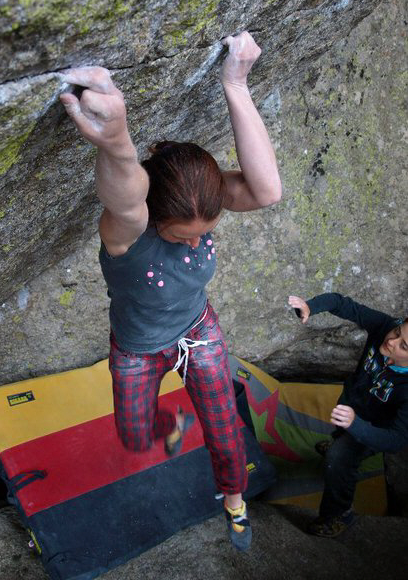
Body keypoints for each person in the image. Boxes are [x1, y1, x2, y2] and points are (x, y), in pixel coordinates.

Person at [59, 31, 281, 551]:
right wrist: (115, 140)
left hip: (198, 333)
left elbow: (266, 190)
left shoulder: (200, 207)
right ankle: (172, 420)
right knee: (135, 435)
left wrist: (237, 83)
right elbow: (127, 200)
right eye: (184, 236)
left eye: (206, 232)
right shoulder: (127, 237)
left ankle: (234, 499)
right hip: (138, 350)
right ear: (157, 218)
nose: (199, 240)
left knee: (225, 428)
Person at [288, 293, 408, 537]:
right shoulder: (386, 326)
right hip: (353, 400)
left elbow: (397, 439)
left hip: (373, 429)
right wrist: (311, 307)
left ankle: (338, 513)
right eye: (398, 332)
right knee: (340, 431)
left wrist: (357, 426)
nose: (392, 341)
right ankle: (339, 439)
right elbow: (343, 304)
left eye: (404, 345)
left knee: (341, 457)